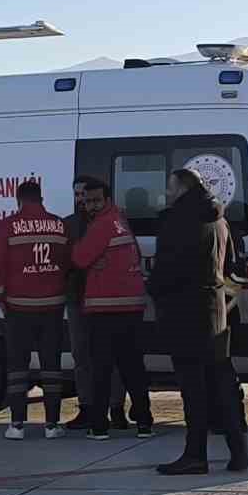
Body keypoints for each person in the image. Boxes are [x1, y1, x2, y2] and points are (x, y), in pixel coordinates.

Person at [150, 170, 248, 475]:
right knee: (221, 385)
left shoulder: (176, 221)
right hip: (215, 313)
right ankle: (239, 452)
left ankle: (195, 455)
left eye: (170, 187)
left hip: (185, 314)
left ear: (181, 188)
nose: (167, 193)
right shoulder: (220, 220)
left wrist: (152, 289)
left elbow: (166, 271)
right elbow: (231, 266)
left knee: (193, 390)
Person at [0, 180, 69, 440]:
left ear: (18, 200)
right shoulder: (58, 224)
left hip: (19, 308)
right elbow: (68, 264)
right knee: (51, 365)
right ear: (41, 198)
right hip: (53, 307)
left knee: (17, 366)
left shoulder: (8, 226)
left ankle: (17, 425)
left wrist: (0, 299)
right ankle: (52, 425)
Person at [70, 181, 153, 440]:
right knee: (132, 366)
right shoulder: (120, 219)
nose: (91, 206)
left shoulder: (101, 225)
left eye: (95, 201)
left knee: (101, 367)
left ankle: (99, 426)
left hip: (105, 308)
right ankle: (144, 422)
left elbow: (79, 258)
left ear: (106, 199)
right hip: (132, 306)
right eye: (87, 201)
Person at [63, 177, 129, 430]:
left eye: (85, 195)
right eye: (78, 195)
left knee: (110, 357)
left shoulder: (112, 221)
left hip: (105, 300)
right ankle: (86, 408)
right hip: (78, 298)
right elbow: (66, 261)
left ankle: (116, 408)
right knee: (82, 356)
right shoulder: (68, 225)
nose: (81, 200)